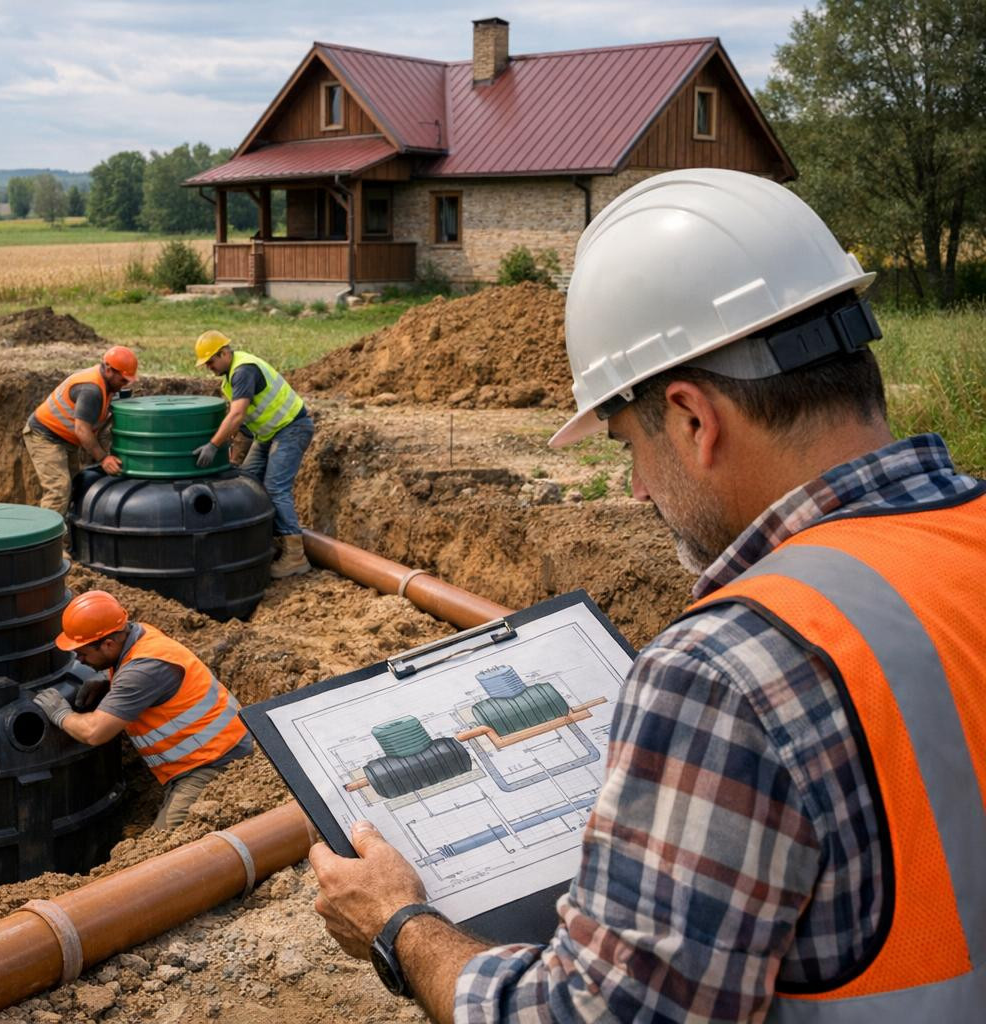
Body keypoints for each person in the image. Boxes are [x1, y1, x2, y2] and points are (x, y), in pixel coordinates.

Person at [310, 168, 986, 1022]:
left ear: (694, 419)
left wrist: (399, 926)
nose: (634, 488)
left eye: (629, 443)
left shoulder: (729, 669)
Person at [33, 590, 252, 829]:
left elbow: (95, 732)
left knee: (171, 846)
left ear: (108, 644)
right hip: (212, 752)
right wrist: (109, 684)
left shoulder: (142, 670)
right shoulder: (139, 637)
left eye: (83, 653)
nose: (79, 660)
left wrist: (61, 714)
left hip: (217, 761)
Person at [193, 330, 314, 578]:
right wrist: (233, 457)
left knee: (275, 488)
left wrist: (213, 445)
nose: (208, 367)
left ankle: (296, 556)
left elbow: (237, 415)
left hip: (291, 428)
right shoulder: (229, 379)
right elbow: (244, 426)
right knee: (247, 482)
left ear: (224, 353)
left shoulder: (243, 371)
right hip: (269, 434)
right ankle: (263, 541)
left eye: (211, 361)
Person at [24, 346, 139, 516]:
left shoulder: (108, 386)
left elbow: (102, 427)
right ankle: (47, 532)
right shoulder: (91, 390)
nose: (126, 384)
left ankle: (65, 529)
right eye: (123, 380)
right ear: (109, 370)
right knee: (59, 490)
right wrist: (103, 458)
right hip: (45, 436)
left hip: (65, 439)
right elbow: (82, 430)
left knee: (73, 485)